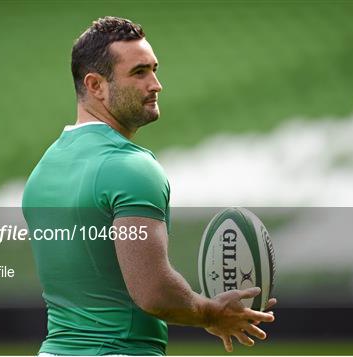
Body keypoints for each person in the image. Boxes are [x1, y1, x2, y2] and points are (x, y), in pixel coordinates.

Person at [22, 16, 276, 356]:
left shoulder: (44, 170)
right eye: (139, 73)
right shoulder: (131, 169)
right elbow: (152, 292)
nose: (156, 84)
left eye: (154, 69)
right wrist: (211, 312)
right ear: (95, 85)